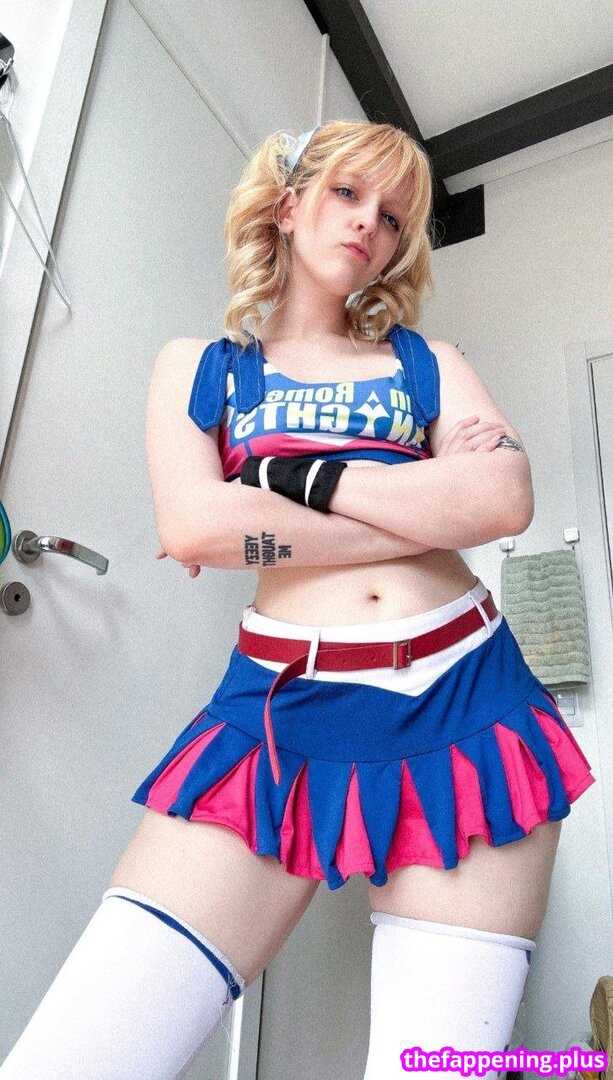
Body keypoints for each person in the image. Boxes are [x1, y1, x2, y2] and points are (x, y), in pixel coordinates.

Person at [1, 120, 596, 1079]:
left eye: (393, 216)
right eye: (347, 194)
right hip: (277, 711)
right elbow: (198, 526)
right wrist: (421, 505)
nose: (370, 224)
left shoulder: (429, 362)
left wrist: (299, 480)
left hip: (468, 701)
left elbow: (501, 498)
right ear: (286, 206)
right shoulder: (200, 365)